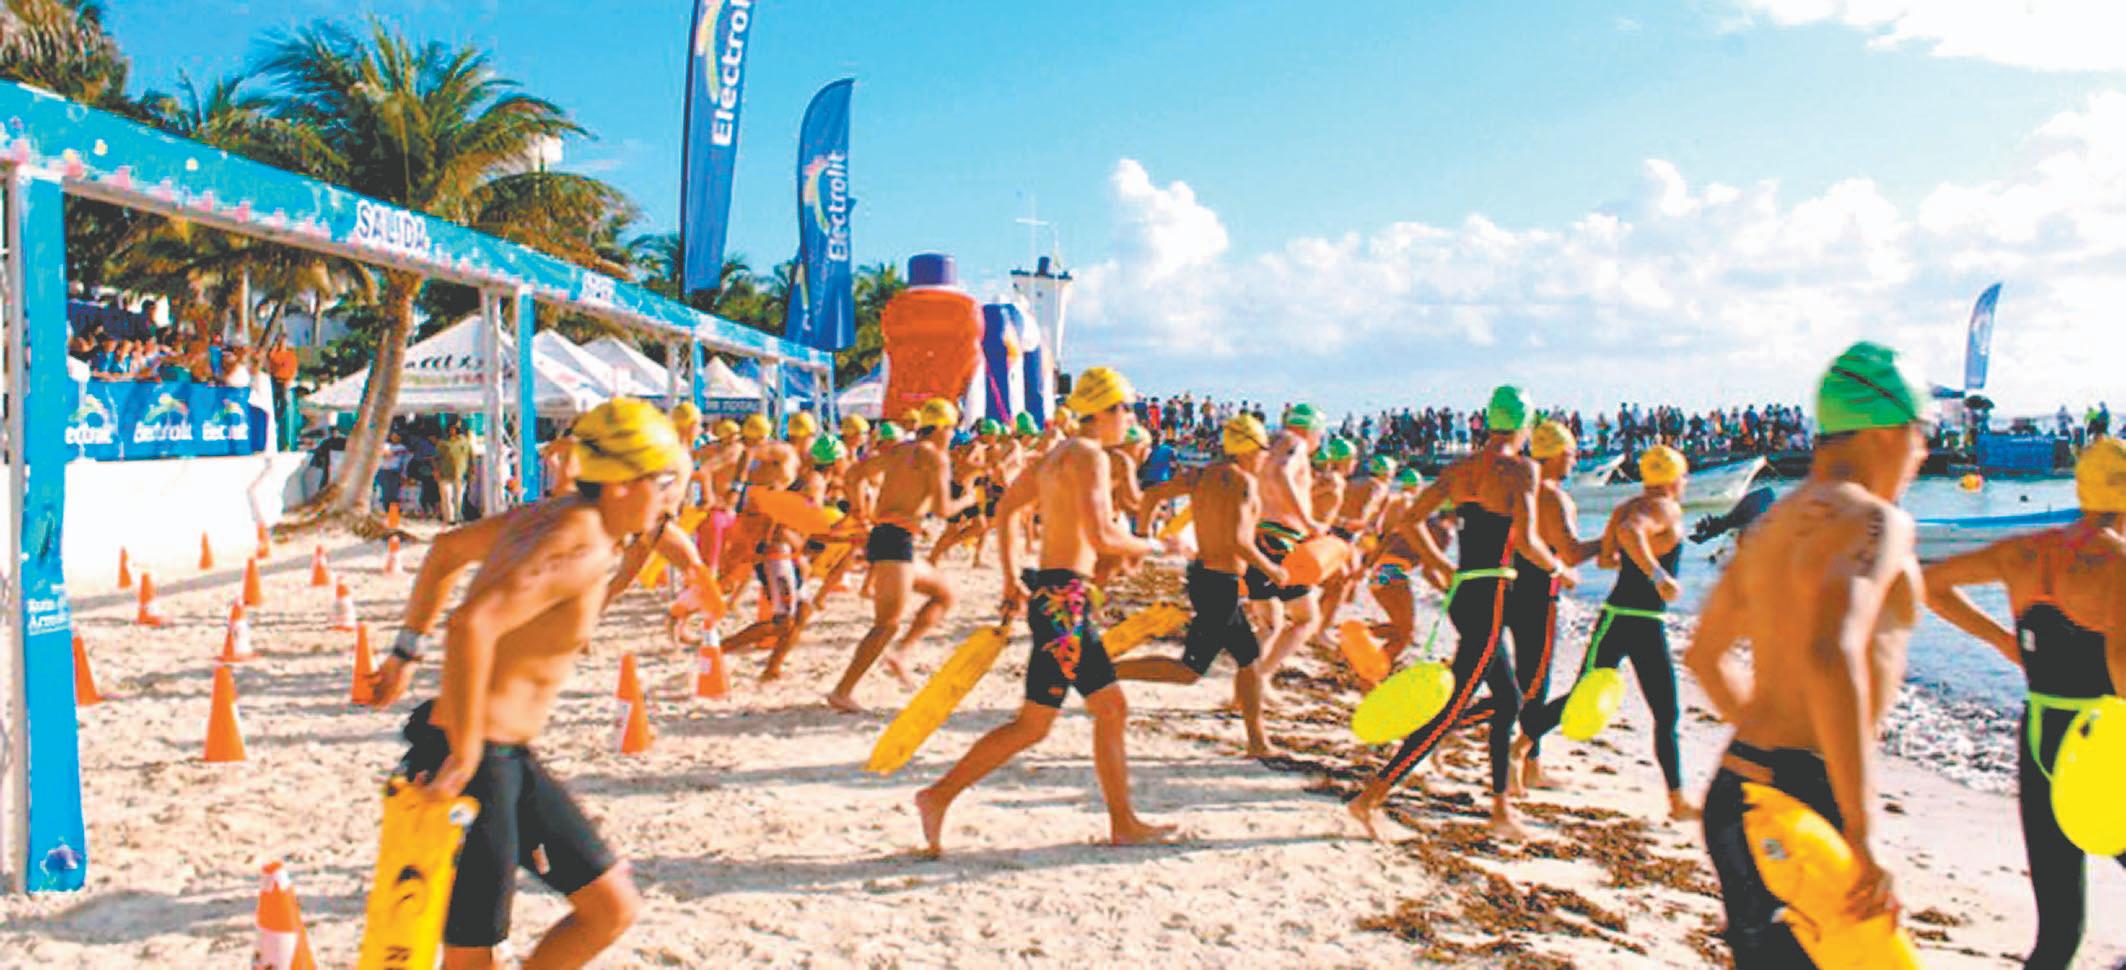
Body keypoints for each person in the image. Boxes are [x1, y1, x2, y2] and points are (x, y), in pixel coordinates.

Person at [362, 398, 696, 969]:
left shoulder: (554, 516)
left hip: (507, 759)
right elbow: (473, 624)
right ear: (620, 484)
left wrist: (404, 652)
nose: (671, 501)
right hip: (473, 760)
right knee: (472, 955)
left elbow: (445, 551)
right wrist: (465, 755)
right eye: (663, 483)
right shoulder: (583, 545)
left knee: (610, 907)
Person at [1684, 342, 1930, 967]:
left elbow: (1705, 655)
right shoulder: (1878, 520)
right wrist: (1860, 829)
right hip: (1800, 803)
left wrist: (1763, 740)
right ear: (1887, 430)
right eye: (1923, 432)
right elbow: (1831, 650)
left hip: (1738, 795)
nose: (1924, 452)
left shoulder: (1769, 527)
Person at [915, 367, 1178, 855]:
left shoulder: (1055, 455)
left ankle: (1122, 822)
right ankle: (938, 796)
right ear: (1103, 411)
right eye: (1126, 408)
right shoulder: (1090, 456)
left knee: (1090, 713)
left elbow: (1005, 510)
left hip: (1056, 598)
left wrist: (1010, 577)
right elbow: (1102, 535)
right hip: (1064, 604)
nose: (1131, 418)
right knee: (1048, 722)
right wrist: (1160, 546)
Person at [1921, 439, 2126, 970]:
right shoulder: (2118, 563)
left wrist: (2001, 641)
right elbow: (2122, 666)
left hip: (2040, 739)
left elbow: (1929, 584)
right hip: (2102, 747)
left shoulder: (2024, 551)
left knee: (2058, 937)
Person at [1346, 386, 1573, 842]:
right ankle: (1370, 798)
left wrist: (1441, 564)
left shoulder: (1460, 469)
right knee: (1452, 709)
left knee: (1509, 701)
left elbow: (1409, 519)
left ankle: (1500, 809)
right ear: (1525, 425)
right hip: (1491, 596)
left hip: (1465, 593)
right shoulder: (1521, 470)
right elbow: (1529, 540)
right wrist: (1557, 569)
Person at [1519, 445, 1696, 819]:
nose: (1685, 483)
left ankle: (1519, 748)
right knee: (1666, 712)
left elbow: (1606, 558)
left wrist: (1639, 562)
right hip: (1644, 619)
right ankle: (1677, 801)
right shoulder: (1664, 508)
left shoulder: (1625, 506)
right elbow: (1632, 533)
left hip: (1615, 617)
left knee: (1581, 694)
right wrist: (1658, 575)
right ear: (1672, 479)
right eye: (1683, 476)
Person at [1113, 414, 1284, 758]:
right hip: (1218, 583)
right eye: (1263, 449)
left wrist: (1143, 537)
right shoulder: (1242, 482)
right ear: (1248, 448)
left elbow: (1153, 495)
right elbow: (1238, 541)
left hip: (1206, 577)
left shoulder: (1203, 475)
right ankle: (1102, 671)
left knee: (1246, 658)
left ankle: (1257, 741)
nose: (1265, 456)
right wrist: (1273, 570)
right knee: (1192, 670)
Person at [825, 399, 972, 711]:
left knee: (944, 595)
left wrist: (860, 509)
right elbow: (943, 509)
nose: (952, 436)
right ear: (942, 428)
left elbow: (855, 474)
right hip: (894, 541)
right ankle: (843, 690)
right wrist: (970, 498)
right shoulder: (936, 457)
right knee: (887, 624)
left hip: (892, 537)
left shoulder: (899, 450)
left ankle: (901, 653)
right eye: (951, 429)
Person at [435, 421, 475, 526]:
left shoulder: (465, 442)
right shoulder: (443, 443)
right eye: (451, 428)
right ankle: (449, 518)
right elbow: (436, 458)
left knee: (458, 498)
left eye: (455, 428)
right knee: (447, 497)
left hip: (460, 475)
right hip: (445, 474)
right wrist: (436, 471)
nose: (453, 431)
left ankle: (458, 517)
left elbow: (471, 458)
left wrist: (472, 472)